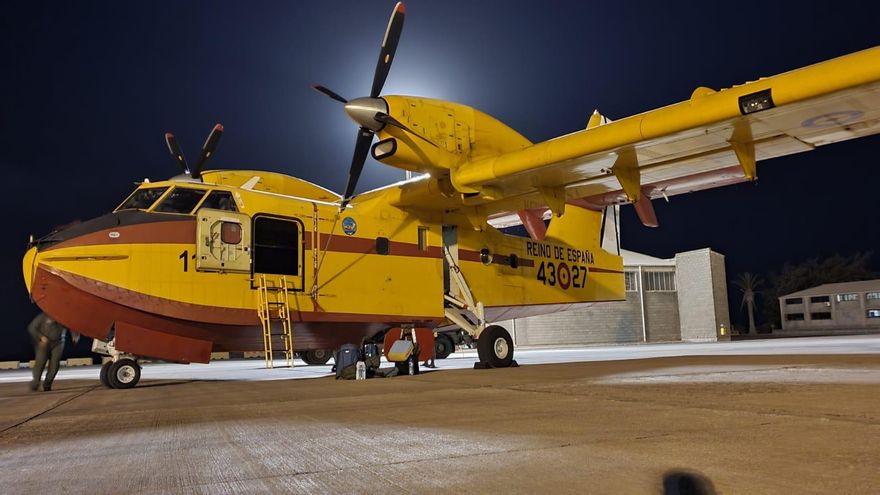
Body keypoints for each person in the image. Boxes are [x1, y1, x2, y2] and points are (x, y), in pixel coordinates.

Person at [27, 312, 77, 392]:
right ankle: (35, 383)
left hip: (58, 342)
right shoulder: (42, 317)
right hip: (44, 343)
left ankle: (47, 384)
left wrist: (75, 336)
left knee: (55, 364)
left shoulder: (63, 318)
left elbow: (72, 326)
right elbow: (31, 328)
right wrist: (41, 337)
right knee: (40, 362)